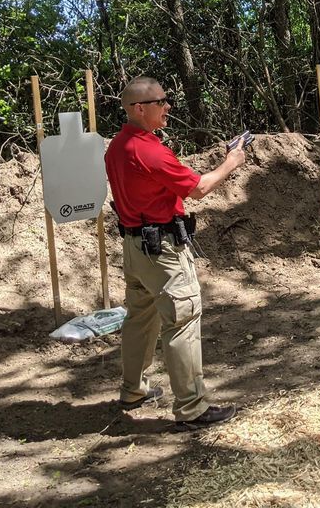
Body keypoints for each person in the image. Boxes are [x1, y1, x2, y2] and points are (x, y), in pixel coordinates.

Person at [105, 76, 247, 432]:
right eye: (161, 102)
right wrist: (232, 162)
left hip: (135, 248)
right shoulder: (148, 149)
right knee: (182, 320)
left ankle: (133, 390)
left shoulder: (118, 146)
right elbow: (199, 188)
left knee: (140, 319)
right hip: (161, 250)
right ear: (140, 108)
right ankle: (192, 408)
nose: (168, 107)